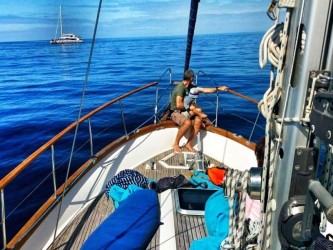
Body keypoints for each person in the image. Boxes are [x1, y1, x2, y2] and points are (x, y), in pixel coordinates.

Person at [170, 69, 228, 153]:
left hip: (186, 111)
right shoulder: (180, 88)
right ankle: (175, 143)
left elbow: (204, 90)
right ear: (191, 78)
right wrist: (190, 108)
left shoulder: (190, 87)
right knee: (188, 122)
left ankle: (188, 144)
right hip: (176, 112)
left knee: (198, 120)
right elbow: (179, 105)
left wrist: (218, 88)